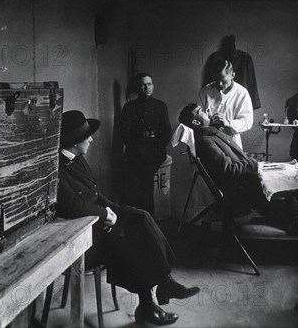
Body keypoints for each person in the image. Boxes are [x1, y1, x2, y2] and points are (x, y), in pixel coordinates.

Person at [57, 110, 198, 325]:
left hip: (97, 221)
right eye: (87, 137)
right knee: (134, 241)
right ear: (75, 142)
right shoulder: (57, 168)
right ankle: (151, 302)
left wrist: (115, 209)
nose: (92, 140)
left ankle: (163, 283)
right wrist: (105, 214)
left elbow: (95, 193)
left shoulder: (76, 159)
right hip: (83, 234)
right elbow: (71, 204)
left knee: (140, 216)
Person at [178, 103, 267, 213]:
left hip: (249, 182)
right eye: (201, 111)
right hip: (244, 191)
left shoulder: (213, 134)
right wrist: (254, 163)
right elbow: (229, 170)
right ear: (196, 122)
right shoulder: (206, 141)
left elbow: (235, 159)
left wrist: (250, 159)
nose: (206, 111)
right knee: (288, 194)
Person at [121, 73, 172, 216]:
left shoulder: (160, 106)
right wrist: (140, 141)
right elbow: (124, 135)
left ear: (153, 86)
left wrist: (155, 144)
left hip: (155, 152)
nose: (146, 87)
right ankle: (136, 219)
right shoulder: (129, 108)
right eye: (143, 84)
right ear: (138, 87)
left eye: (149, 84)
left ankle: (148, 218)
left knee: (145, 183)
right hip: (135, 151)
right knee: (131, 185)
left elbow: (167, 132)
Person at [198, 59, 253, 150]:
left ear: (233, 75)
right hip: (209, 144)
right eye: (216, 80)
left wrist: (228, 122)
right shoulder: (205, 91)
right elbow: (198, 117)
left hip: (232, 143)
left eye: (223, 81)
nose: (219, 84)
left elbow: (247, 122)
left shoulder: (242, 93)